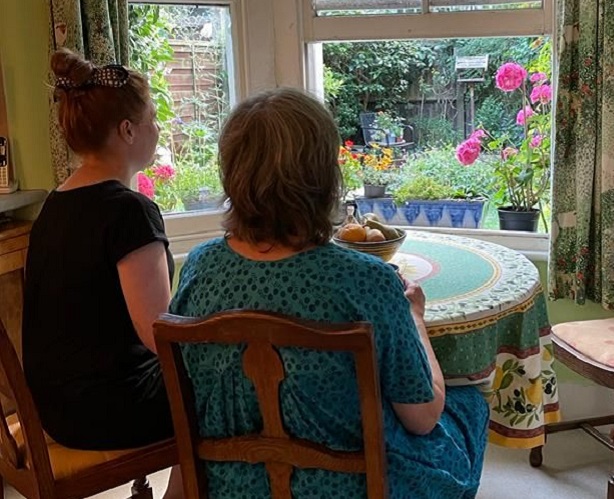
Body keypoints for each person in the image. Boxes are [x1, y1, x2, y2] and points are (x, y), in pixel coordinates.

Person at [170, 87, 489, 498]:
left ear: (231, 172)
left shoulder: (200, 266)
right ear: (323, 177)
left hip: (231, 485)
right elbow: (422, 418)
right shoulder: (367, 281)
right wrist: (416, 321)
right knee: (469, 406)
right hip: (350, 489)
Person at [22, 48, 181, 496]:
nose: (157, 128)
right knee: (228, 386)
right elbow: (160, 335)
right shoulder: (129, 213)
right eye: (152, 118)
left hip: (52, 404)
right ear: (127, 130)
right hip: (103, 411)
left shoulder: (55, 204)